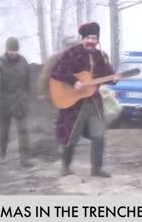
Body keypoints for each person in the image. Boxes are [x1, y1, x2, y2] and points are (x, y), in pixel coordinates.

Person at [51, 22, 121, 177]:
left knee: (98, 134)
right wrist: (73, 81)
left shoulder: (101, 56)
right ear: (83, 38)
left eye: (94, 38)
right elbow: (57, 72)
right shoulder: (71, 54)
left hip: (94, 102)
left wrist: (114, 78)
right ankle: (65, 166)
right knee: (71, 135)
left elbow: (107, 74)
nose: (91, 41)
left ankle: (96, 169)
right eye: (88, 37)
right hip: (74, 103)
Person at [0, 37, 33, 168]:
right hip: (4, 103)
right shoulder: (0, 64)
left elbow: (28, 82)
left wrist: (25, 97)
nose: (12, 52)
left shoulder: (23, 62)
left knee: (23, 131)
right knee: (4, 131)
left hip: (20, 102)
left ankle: (25, 158)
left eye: (15, 50)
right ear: (7, 50)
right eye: (10, 50)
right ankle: (2, 156)